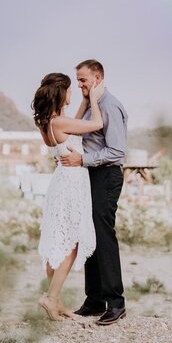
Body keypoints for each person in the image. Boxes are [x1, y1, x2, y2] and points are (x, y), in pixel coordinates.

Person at [56, 59, 128, 325]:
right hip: (90, 176)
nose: (80, 85)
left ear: (97, 78)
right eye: (78, 80)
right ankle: (95, 300)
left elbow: (118, 151)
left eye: (83, 80)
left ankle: (116, 303)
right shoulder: (91, 107)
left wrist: (82, 160)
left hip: (106, 176)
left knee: (104, 236)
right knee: (90, 234)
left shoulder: (109, 105)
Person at [31, 72, 104, 320]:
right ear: (62, 94)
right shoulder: (60, 123)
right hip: (72, 183)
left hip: (61, 180)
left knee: (56, 240)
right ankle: (51, 297)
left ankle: (57, 301)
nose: (74, 94)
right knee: (71, 241)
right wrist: (93, 98)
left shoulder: (48, 122)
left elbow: (72, 123)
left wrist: (84, 99)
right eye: (71, 90)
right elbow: (96, 123)